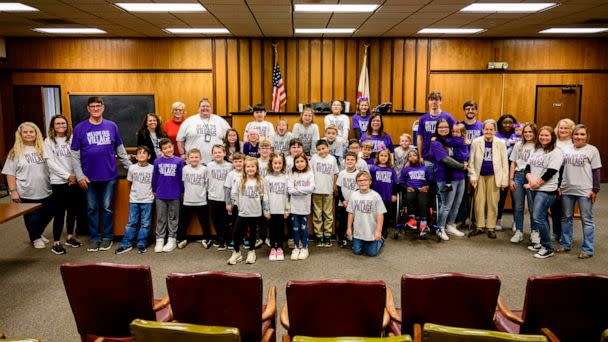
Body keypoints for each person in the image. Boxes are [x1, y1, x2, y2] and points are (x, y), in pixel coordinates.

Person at [71, 96, 132, 252]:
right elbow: (74, 155)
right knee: (91, 208)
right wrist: (79, 176)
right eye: (92, 106)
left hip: (109, 176)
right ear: (88, 109)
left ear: (103, 108)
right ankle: (95, 238)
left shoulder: (112, 126)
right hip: (88, 177)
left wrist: (132, 168)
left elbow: (120, 150)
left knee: (107, 207)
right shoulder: (80, 128)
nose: (96, 109)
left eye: (98, 106)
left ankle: (107, 237)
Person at [2, 122, 54, 249]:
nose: (29, 134)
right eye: (25, 132)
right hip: (26, 190)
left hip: (46, 188)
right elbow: (10, 173)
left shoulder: (43, 149)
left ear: (36, 133)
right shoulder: (15, 152)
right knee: (32, 216)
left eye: (31, 132)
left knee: (49, 211)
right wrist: (13, 191)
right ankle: (35, 237)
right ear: (20, 135)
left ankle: (36, 231)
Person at [558, 124, 601, 259]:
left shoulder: (592, 150)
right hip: (567, 189)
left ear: (587, 136)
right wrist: (559, 186)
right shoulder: (566, 149)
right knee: (566, 218)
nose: (579, 137)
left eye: (582, 134)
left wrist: (595, 189)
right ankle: (565, 244)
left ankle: (587, 249)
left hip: (585, 191)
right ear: (572, 135)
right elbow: (560, 169)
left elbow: (596, 171)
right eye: (576, 134)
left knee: (587, 220)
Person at [44, 115, 84, 254]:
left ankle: (69, 237)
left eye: (63, 123)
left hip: (74, 180)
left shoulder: (72, 138)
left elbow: (78, 157)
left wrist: (76, 176)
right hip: (59, 181)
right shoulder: (48, 141)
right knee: (59, 212)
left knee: (73, 211)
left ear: (67, 125)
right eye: (58, 123)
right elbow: (50, 162)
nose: (61, 125)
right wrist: (68, 176)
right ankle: (56, 242)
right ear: (53, 126)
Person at [524, 126, 563, 259]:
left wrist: (536, 183)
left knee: (538, 217)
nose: (543, 137)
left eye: (547, 135)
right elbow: (527, 168)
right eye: (541, 135)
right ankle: (541, 243)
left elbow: (551, 172)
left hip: (546, 190)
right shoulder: (536, 149)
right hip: (534, 187)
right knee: (542, 217)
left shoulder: (556, 152)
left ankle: (547, 247)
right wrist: (530, 181)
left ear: (552, 137)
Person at [468, 119, 509, 239]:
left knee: (492, 202)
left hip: (494, 176)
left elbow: (504, 163)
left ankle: (491, 227)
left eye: (491, 129)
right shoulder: (476, 142)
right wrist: (473, 176)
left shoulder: (500, 143)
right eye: (486, 129)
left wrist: (504, 181)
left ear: (495, 131)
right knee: (479, 201)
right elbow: (471, 161)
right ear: (482, 130)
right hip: (479, 176)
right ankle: (480, 226)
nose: (488, 131)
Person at [429, 119, 468, 240]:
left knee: (456, 203)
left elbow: (464, 151)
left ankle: (450, 225)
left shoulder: (454, 140)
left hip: (460, 177)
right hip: (446, 179)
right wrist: (462, 166)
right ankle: (440, 228)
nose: (443, 129)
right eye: (440, 127)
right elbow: (445, 159)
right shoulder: (436, 143)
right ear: (437, 129)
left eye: (446, 127)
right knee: (446, 204)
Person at [227, 157, 269, 265]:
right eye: (248, 167)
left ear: (257, 168)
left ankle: (251, 251)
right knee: (236, 232)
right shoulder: (240, 180)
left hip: (255, 212)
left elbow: (264, 196)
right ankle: (237, 253)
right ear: (245, 168)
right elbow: (234, 193)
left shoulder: (260, 180)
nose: (250, 169)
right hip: (243, 212)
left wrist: (265, 209)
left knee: (253, 233)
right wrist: (239, 205)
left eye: (252, 166)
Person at [115, 146, 154, 254]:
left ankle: (141, 243)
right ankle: (126, 243)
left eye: (144, 153)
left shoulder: (152, 168)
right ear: (136, 157)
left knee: (145, 223)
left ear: (149, 156)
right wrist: (134, 195)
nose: (141, 155)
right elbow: (129, 182)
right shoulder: (132, 168)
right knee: (131, 222)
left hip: (147, 200)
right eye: (139, 153)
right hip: (134, 200)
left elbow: (154, 184)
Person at [152, 138, 184, 253]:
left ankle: (172, 239)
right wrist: (154, 190)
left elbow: (182, 178)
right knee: (161, 218)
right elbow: (155, 177)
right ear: (161, 150)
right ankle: (160, 239)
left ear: (173, 147)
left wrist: (182, 192)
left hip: (174, 194)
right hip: (160, 194)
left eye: (170, 147)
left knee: (173, 217)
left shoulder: (179, 161)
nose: (168, 149)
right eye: (165, 148)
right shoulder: (157, 161)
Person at [176, 98, 230, 164]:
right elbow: (180, 139)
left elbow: (229, 138)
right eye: (203, 106)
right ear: (198, 109)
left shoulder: (221, 121)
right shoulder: (189, 121)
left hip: (216, 161)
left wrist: (228, 153)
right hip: (194, 161)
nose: (205, 108)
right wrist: (182, 154)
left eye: (207, 106)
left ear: (211, 109)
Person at [509, 123, 538, 244]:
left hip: (532, 177)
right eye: (525, 132)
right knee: (518, 206)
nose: (527, 134)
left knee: (533, 207)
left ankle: (535, 232)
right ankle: (519, 232)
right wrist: (511, 179)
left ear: (535, 133)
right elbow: (513, 163)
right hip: (519, 176)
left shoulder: (539, 146)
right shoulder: (518, 145)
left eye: (530, 132)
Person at [346, 171, 387, 257]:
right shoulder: (354, 195)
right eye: (360, 180)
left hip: (371, 231)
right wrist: (349, 228)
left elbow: (380, 215)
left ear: (370, 181)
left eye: (365, 180)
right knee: (357, 251)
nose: (363, 182)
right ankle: (364, 243)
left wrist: (378, 231)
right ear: (357, 182)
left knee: (371, 253)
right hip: (358, 231)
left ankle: (380, 240)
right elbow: (351, 213)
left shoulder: (375, 196)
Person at [177, 148, 209, 249]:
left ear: (200, 158)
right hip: (188, 200)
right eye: (191, 157)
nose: (194, 159)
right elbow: (183, 183)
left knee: (204, 221)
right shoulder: (185, 169)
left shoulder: (204, 169)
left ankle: (207, 238)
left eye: (196, 157)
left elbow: (207, 184)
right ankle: (181, 238)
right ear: (187, 159)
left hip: (201, 200)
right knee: (184, 221)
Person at [417, 91, 455, 174]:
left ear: (441, 101)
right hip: (427, 157)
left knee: (441, 184)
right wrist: (420, 156)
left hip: (443, 157)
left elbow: (453, 136)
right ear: (428, 102)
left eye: (436, 100)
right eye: (431, 100)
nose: (434, 102)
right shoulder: (423, 118)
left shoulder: (448, 117)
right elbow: (420, 138)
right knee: (429, 184)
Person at [310, 140, 339, 247]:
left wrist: (335, 186)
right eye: (319, 149)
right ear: (316, 150)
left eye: (323, 148)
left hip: (328, 191)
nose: (321, 151)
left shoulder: (332, 159)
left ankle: (327, 235)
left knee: (328, 214)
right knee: (317, 214)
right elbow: (310, 173)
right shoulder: (314, 158)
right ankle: (318, 236)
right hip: (316, 191)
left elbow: (335, 173)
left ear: (328, 148)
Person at [551, 118, 576, 241]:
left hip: (567, 174)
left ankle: (565, 235)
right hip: (553, 174)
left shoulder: (574, 143)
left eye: (566, 128)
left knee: (565, 209)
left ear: (571, 130)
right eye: (561, 127)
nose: (563, 130)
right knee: (554, 206)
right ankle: (556, 232)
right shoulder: (554, 141)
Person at [288, 153, 315, 260]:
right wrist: (304, 189)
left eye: (302, 161)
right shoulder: (292, 174)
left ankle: (304, 247)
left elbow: (311, 188)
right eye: (297, 162)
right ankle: (296, 247)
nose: (299, 164)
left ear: (306, 162)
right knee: (295, 227)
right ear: (294, 163)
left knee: (304, 227)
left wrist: (297, 188)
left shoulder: (309, 173)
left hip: (304, 206)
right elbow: (290, 190)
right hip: (294, 206)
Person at [207, 144, 234, 250]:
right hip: (213, 197)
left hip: (226, 199)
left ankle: (227, 240)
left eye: (220, 152)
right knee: (216, 220)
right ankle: (220, 239)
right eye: (215, 152)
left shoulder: (230, 166)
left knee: (226, 221)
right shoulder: (209, 166)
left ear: (224, 153)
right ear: (212, 155)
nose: (217, 154)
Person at [399, 150, 431, 236]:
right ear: (408, 159)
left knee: (422, 200)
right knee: (410, 197)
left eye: (414, 155)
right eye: (410, 156)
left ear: (418, 157)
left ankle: (423, 225)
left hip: (422, 189)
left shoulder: (425, 168)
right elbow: (401, 182)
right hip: (411, 189)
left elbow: (431, 181)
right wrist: (407, 188)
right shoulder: (405, 169)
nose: (412, 157)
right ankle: (412, 220)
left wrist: (427, 186)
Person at [264, 154, 290, 261]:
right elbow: (265, 194)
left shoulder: (286, 177)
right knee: (272, 229)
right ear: (271, 164)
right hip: (271, 209)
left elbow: (288, 195)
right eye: (275, 163)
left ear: (283, 164)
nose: (277, 165)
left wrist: (287, 209)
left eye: (280, 163)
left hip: (281, 209)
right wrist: (266, 209)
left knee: (280, 230)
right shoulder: (267, 178)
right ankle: (272, 248)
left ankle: (279, 248)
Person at [495, 114, 517, 230]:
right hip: (501, 170)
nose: (508, 125)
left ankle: (516, 221)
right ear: (500, 124)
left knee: (516, 198)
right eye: (505, 122)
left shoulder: (519, 135)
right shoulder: (496, 135)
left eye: (510, 122)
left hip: (516, 169)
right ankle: (498, 219)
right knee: (501, 197)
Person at [370, 148, 398, 239]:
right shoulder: (373, 168)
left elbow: (395, 183)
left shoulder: (391, 169)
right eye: (381, 155)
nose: (383, 157)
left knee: (385, 213)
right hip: (375, 195)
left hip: (387, 195)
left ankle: (384, 229)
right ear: (378, 156)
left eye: (385, 156)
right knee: (375, 213)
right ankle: (375, 229)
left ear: (388, 158)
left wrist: (394, 194)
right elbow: (370, 182)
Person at [336, 152, 360, 247]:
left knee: (355, 220)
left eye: (352, 159)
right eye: (348, 159)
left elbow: (359, 188)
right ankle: (342, 238)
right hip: (343, 203)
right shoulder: (342, 173)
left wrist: (352, 201)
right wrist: (343, 200)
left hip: (354, 203)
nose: (350, 161)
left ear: (356, 161)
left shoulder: (358, 174)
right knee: (343, 221)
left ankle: (352, 236)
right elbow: (339, 188)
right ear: (345, 161)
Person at [224, 152, 245, 250]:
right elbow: (227, 189)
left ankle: (245, 238)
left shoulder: (246, 172)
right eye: (236, 162)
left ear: (244, 162)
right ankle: (235, 239)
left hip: (245, 202)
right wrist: (228, 203)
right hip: (234, 203)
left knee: (245, 222)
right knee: (235, 222)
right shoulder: (231, 174)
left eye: (240, 161)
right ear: (233, 162)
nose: (238, 164)